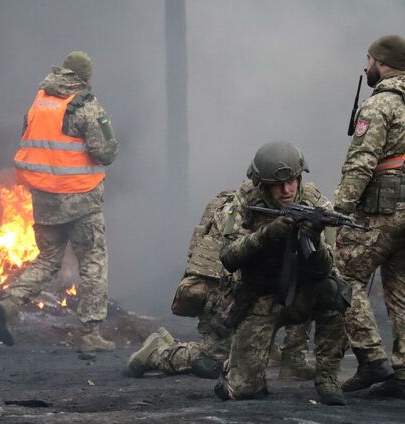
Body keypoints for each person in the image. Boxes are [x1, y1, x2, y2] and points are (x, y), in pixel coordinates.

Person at [0, 51, 119, 352]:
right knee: (93, 262)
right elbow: (105, 153)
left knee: (48, 259)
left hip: (45, 198)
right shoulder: (86, 106)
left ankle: (11, 303)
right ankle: (89, 335)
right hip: (81, 199)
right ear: (85, 78)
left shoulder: (39, 102)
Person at [126, 189, 315, 380]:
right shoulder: (238, 212)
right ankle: (158, 351)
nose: (286, 190)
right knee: (214, 363)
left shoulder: (294, 205)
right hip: (224, 297)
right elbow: (226, 272)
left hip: (251, 297)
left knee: (309, 282)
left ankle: (286, 356)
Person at [214, 142, 350, 405]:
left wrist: (314, 237)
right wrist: (265, 235)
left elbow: (326, 268)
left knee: (335, 291)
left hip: (301, 294)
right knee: (244, 389)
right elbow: (228, 256)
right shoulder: (246, 200)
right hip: (257, 299)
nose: (287, 190)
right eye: (278, 185)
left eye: (292, 182)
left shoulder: (316, 203)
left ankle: (327, 377)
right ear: (262, 184)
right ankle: (162, 351)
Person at [333, 34, 405, 397]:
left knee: (342, 275)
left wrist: (340, 210)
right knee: (401, 290)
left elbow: (361, 163)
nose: (365, 67)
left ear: (382, 62)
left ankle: (372, 358)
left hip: (382, 212)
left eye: (369, 60)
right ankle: (403, 373)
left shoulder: (379, 106)